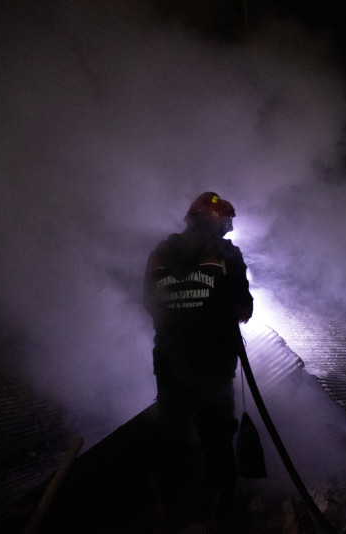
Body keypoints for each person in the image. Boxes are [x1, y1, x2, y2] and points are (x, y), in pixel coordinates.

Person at [143, 191, 254, 531]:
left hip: (169, 367)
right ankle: (219, 511)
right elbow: (244, 309)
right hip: (213, 367)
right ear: (219, 223)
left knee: (173, 437)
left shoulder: (159, 253)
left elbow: (148, 303)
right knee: (217, 441)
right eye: (226, 223)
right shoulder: (227, 254)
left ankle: (169, 509)